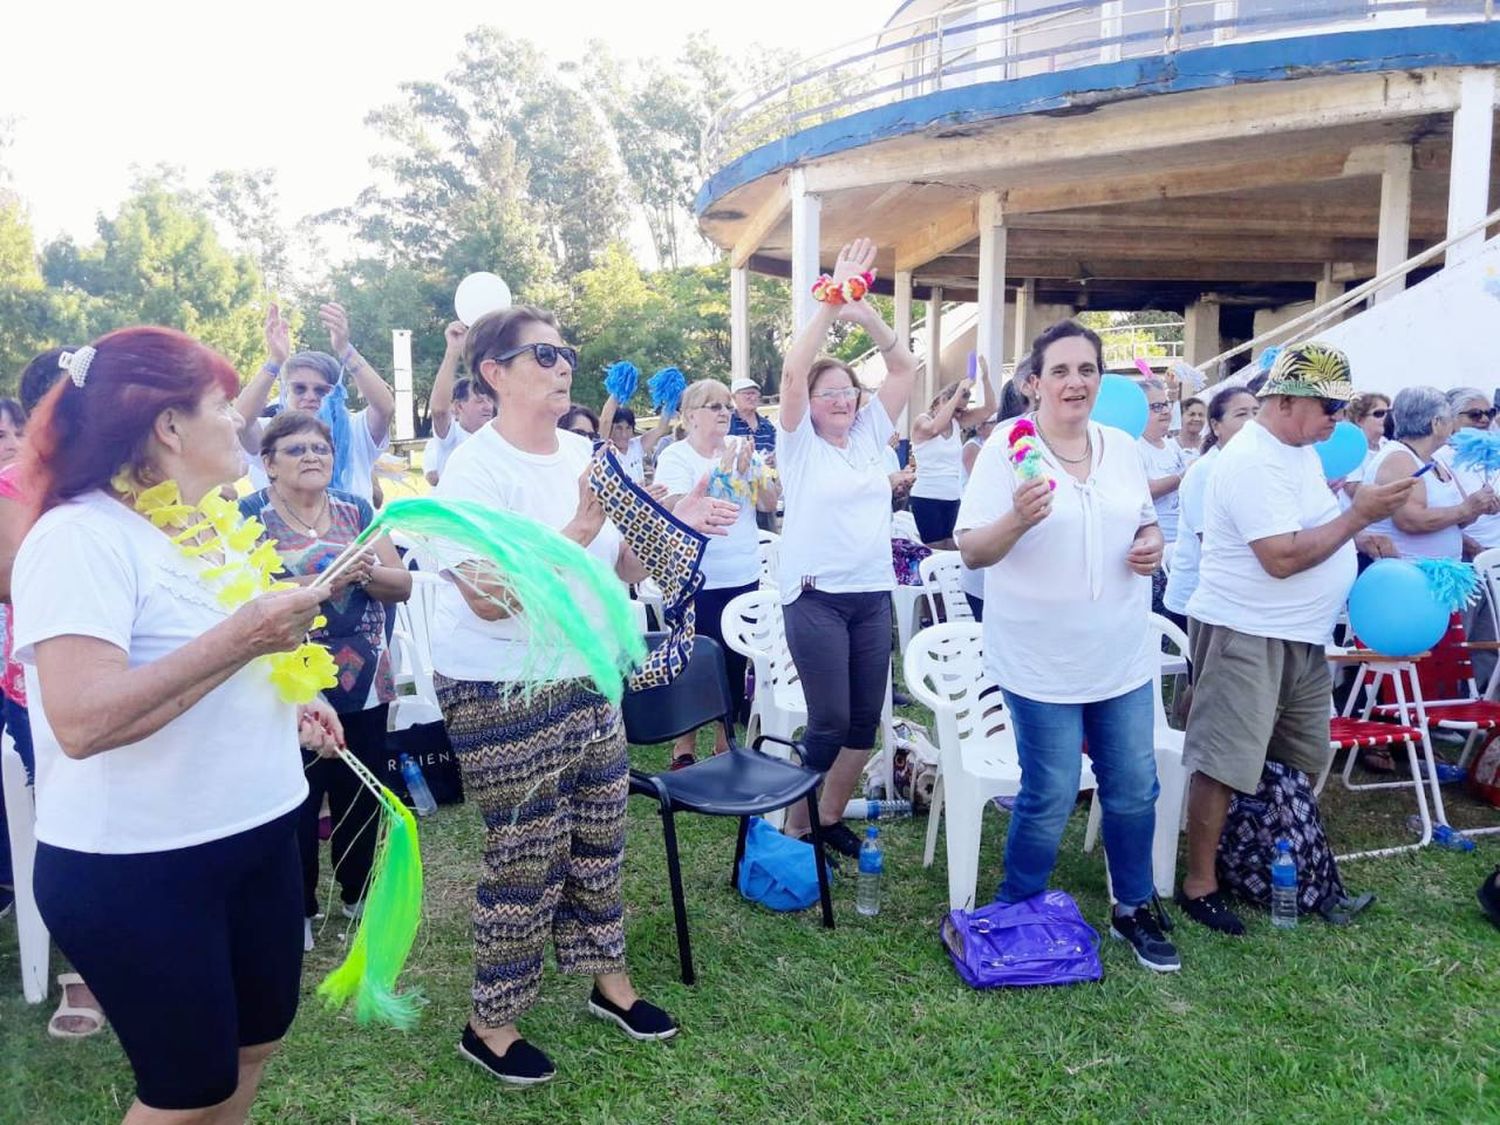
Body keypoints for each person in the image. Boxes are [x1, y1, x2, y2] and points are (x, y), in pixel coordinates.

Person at [14, 326, 342, 1121]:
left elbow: (207, 662)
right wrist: (245, 639)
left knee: (252, 1048)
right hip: (141, 867)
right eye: (223, 406)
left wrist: (287, 689)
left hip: (259, 833)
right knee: (185, 1087)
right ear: (168, 427)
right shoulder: (78, 536)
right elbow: (83, 719)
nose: (242, 422)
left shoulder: (207, 525)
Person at [428, 305, 735, 1085]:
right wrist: (573, 527)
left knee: (601, 832)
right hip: (499, 681)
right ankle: (489, 1021)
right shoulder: (474, 468)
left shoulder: (589, 453)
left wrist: (668, 523)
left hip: (587, 668)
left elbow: (623, 570)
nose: (562, 364)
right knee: (526, 852)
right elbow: (488, 598)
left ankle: (610, 981)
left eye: (565, 351)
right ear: (493, 372)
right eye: (541, 353)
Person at [957, 319, 1178, 972]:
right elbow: (972, 547)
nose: (1075, 381)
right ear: (1034, 384)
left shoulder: (1121, 446)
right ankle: (1017, 906)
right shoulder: (1009, 446)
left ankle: (1133, 904)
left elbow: (1140, 519)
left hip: (1121, 652)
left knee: (1134, 785)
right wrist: (1018, 518)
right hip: (1040, 658)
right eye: (1060, 370)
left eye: (1087, 369)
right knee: (1050, 790)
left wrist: (1151, 545)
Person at [1177, 343, 1416, 935]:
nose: (1340, 415)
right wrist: (1358, 518)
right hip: (1246, 630)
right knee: (1225, 761)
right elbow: (1279, 558)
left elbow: (1312, 529)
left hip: (1299, 636)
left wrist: (1356, 537)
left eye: (1346, 404)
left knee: (1302, 758)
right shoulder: (1252, 460)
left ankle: (1270, 863)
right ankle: (1200, 884)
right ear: (1284, 401)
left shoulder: (1300, 453)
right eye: (1329, 403)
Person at [240, 410, 412, 949]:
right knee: (293, 798)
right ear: (268, 464)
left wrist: (367, 572)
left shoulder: (357, 509)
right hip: (289, 682)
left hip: (365, 679)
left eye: (321, 448)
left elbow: (400, 583)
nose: (312, 456)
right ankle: (299, 906)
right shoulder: (250, 516)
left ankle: (359, 893)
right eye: (295, 449)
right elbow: (249, 598)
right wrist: (323, 579)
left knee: (361, 792)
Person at [775, 238, 918, 856]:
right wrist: (831, 306)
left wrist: (869, 317)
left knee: (864, 723)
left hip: (868, 594)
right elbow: (789, 372)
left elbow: (907, 370)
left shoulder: (869, 437)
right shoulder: (798, 442)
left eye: (847, 391)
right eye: (827, 393)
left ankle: (828, 819)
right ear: (811, 403)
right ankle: (793, 825)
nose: (840, 400)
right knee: (830, 720)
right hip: (815, 596)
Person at [652, 379, 781, 767]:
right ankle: (684, 747)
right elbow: (675, 506)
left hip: (741, 571)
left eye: (726, 405)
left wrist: (755, 473)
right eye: (713, 406)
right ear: (690, 415)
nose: (724, 412)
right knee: (693, 658)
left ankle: (725, 741)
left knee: (733, 659)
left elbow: (770, 504)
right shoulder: (677, 455)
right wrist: (725, 473)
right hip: (696, 573)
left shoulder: (743, 450)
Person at [236, 302, 395, 505]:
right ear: (285, 392)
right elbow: (240, 420)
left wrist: (345, 349)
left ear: (337, 393)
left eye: (321, 391)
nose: (310, 397)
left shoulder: (355, 429)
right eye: (299, 388)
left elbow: (385, 408)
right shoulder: (270, 434)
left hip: (356, 535)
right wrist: (275, 361)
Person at [1162, 385, 1261, 629]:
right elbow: (1212, 542)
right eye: (1241, 414)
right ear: (1216, 426)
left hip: (1240, 601)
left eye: (1256, 412)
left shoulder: (1253, 467)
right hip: (1200, 601)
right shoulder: (1206, 471)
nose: (1252, 421)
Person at [1363, 386, 1495, 560]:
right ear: (1436, 423)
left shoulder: (1433, 459)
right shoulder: (1399, 458)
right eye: (1450, 418)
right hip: (1412, 576)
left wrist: (1479, 506)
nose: (1453, 424)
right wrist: (1466, 508)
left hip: (1445, 576)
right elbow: (1409, 521)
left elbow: (1460, 520)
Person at [1437, 386, 1500, 687]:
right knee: (1459, 639)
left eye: (1489, 413)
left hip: (1496, 561)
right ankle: (1449, 711)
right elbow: (1442, 514)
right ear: (1451, 417)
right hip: (1464, 562)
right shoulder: (1442, 458)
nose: (1484, 420)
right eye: (1475, 414)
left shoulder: (1493, 454)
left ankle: (1481, 709)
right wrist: (1472, 548)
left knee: (1490, 641)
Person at [909, 369, 995, 547]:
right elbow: (933, 429)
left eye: (962, 410)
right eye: (956, 409)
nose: (959, 414)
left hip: (953, 496)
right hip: (927, 496)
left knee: (954, 549)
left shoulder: (956, 422)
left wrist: (985, 379)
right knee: (936, 550)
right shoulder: (922, 421)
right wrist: (957, 393)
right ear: (942, 401)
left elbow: (989, 410)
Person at [1137, 376, 1186, 548]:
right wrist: (1184, 477)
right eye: (1157, 407)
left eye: (1166, 404)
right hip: (1155, 546)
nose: (1165, 411)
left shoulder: (1173, 446)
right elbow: (1145, 490)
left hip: (1182, 542)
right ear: (1139, 410)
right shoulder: (1134, 447)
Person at [958, 412, 999, 620]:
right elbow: (981, 481)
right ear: (981, 427)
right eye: (993, 422)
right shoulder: (976, 447)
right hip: (977, 523)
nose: (997, 426)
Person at [597, 398, 672, 484]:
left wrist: (670, 399)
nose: (624, 434)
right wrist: (618, 390)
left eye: (628, 428)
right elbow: (605, 420)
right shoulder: (606, 449)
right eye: (619, 428)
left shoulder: (636, 445)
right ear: (610, 428)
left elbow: (661, 429)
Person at [1340, 391, 1391, 501]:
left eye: (1388, 413)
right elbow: (1354, 490)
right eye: (1379, 414)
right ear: (1359, 420)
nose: (1386, 418)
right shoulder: (1349, 448)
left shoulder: (1387, 444)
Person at [728, 377, 778, 454]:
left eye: (755, 393)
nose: (753, 398)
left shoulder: (767, 426)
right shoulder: (727, 423)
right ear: (734, 397)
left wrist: (773, 459)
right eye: (748, 394)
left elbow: (776, 451)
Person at [1174, 396, 1206, 463]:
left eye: (1200, 415)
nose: (1197, 419)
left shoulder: (1209, 445)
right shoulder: (1169, 446)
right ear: (1180, 417)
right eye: (1192, 414)